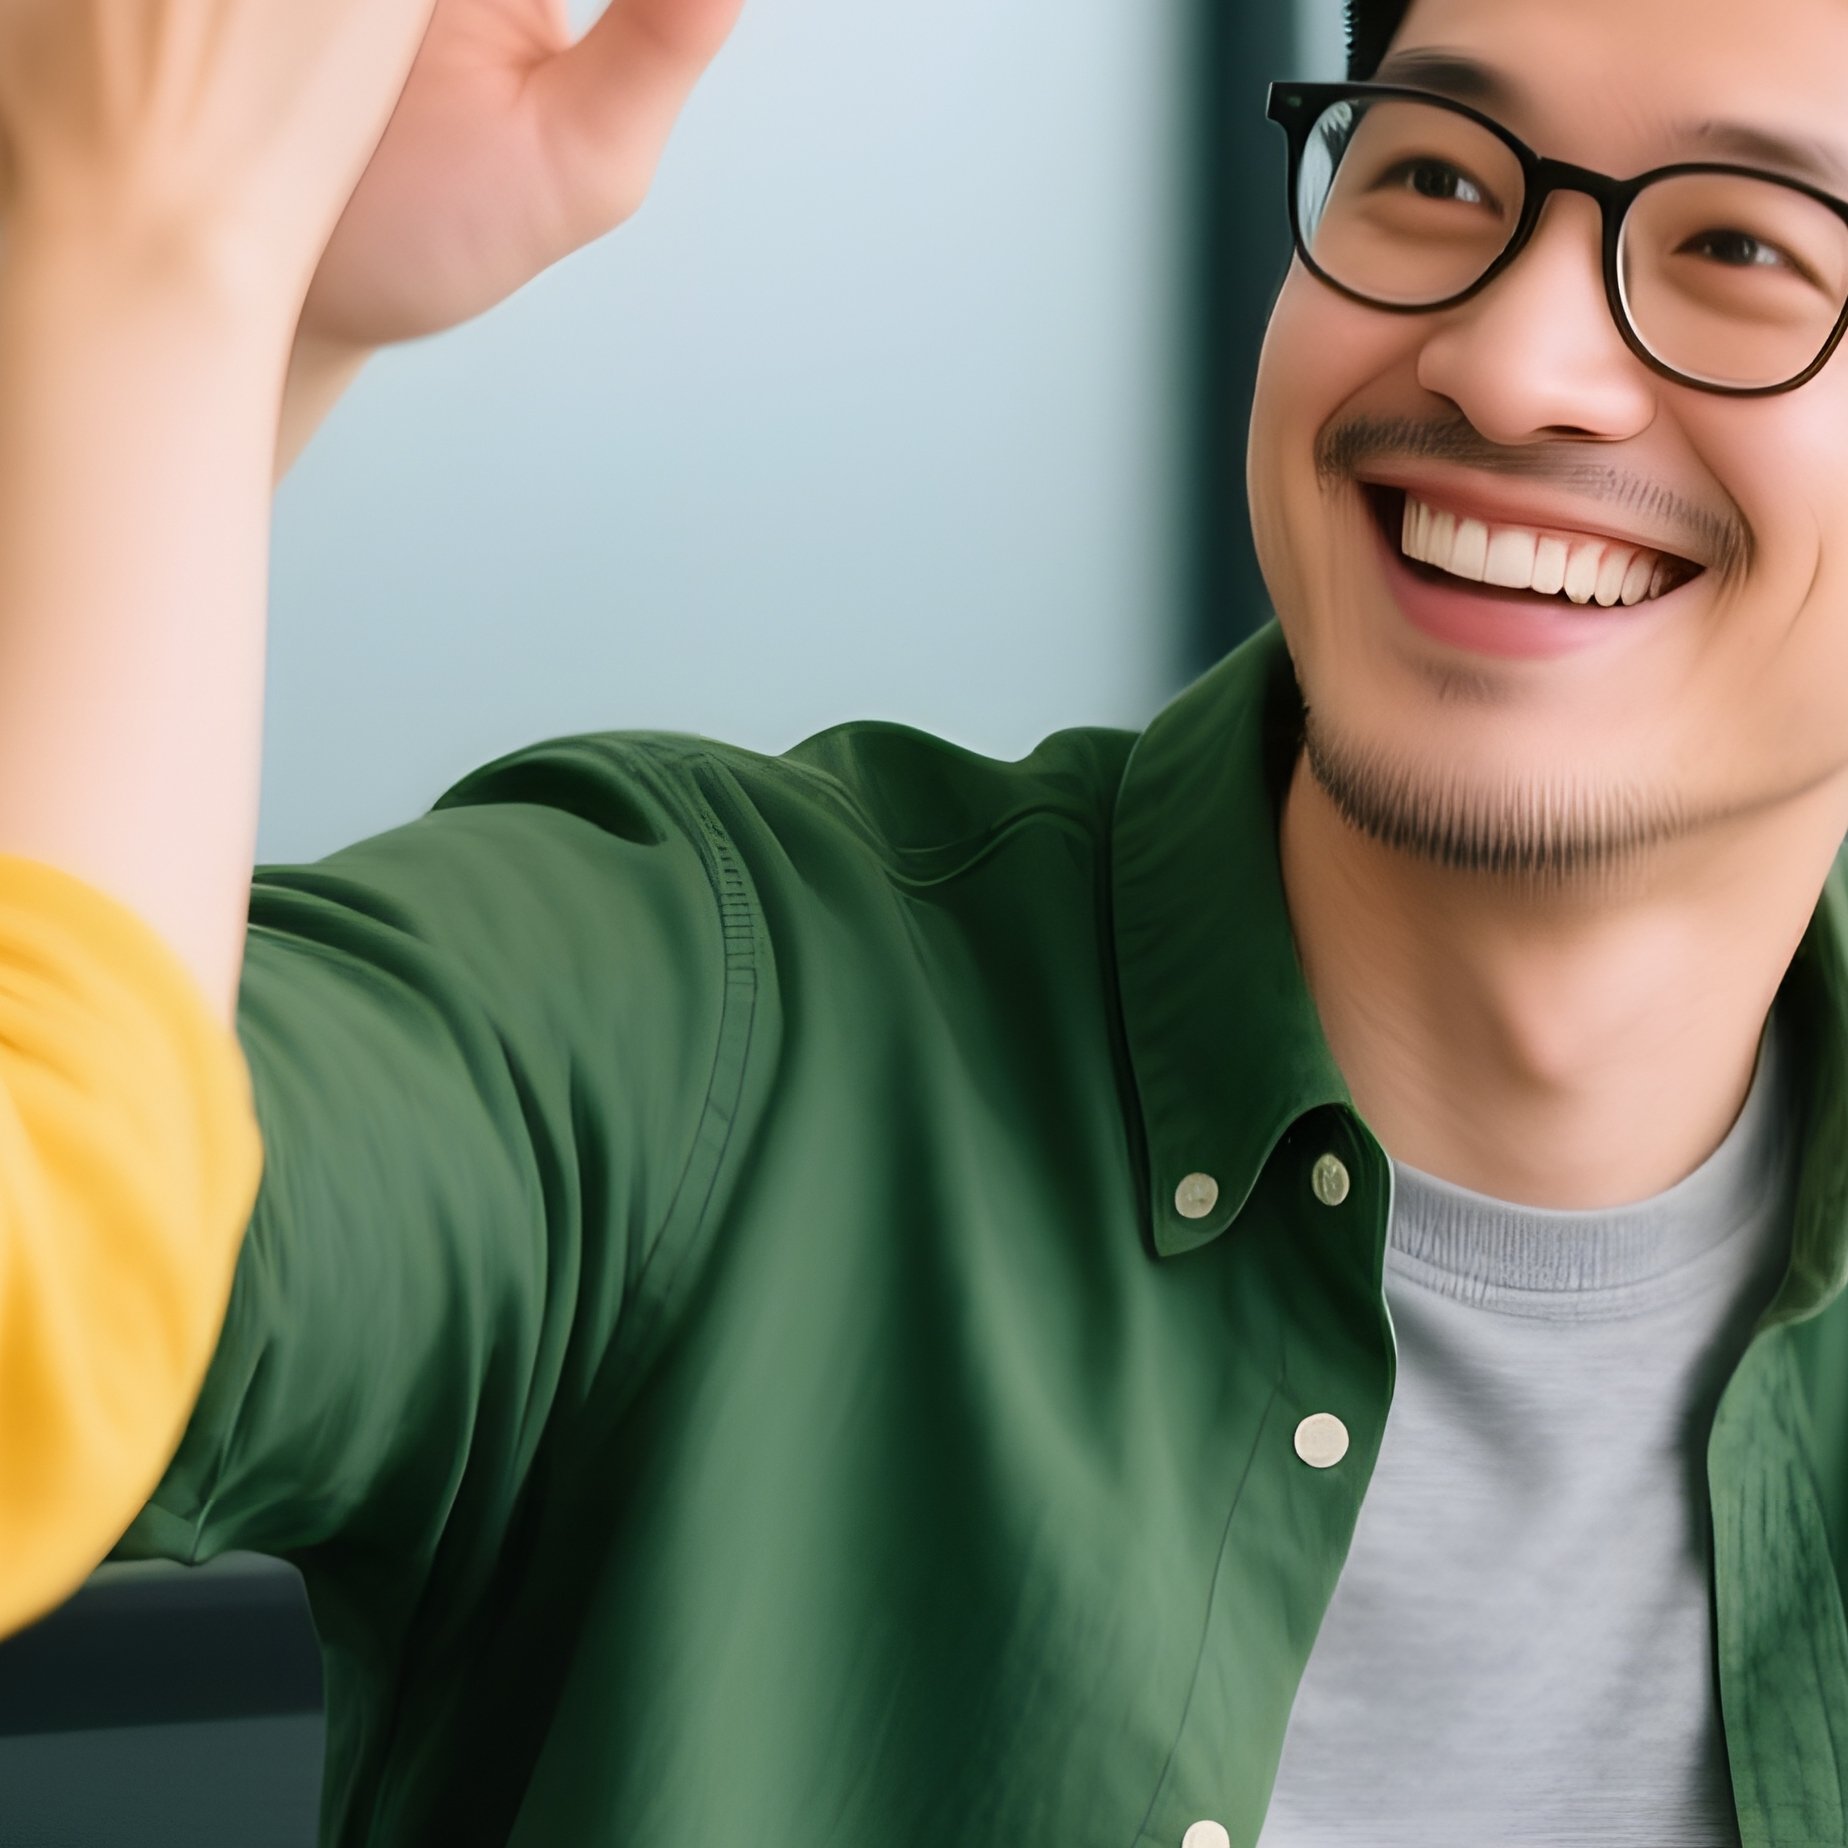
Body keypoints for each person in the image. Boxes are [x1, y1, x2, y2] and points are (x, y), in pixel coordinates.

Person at [14, 0, 1848, 1839]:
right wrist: (166, 312)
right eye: (1437, 173)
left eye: (1746, 249)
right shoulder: (698, 1020)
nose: (1517, 358)